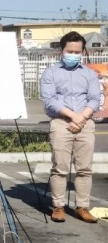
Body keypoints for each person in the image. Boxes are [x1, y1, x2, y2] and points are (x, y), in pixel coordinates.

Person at [40, 31, 100, 224]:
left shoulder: (90, 74)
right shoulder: (51, 73)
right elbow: (50, 101)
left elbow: (95, 99)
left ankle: (82, 206)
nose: (73, 54)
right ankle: (58, 206)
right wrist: (73, 116)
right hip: (60, 123)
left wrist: (82, 117)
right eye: (69, 51)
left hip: (85, 123)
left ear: (83, 51)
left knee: (84, 169)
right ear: (62, 50)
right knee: (60, 167)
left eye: (77, 51)